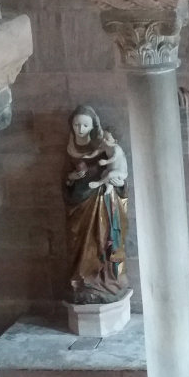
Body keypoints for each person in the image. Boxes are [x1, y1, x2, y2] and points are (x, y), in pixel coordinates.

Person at [64, 105, 130, 304]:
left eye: (85, 125)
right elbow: (64, 180)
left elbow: (118, 171)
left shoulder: (103, 146)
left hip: (104, 201)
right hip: (80, 203)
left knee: (105, 239)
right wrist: (72, 177)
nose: (80, 129)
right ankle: (83, 281)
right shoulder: (69, 151)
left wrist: (119, 184)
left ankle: (107, 279)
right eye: (76, 124)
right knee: (82, 242)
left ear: (93, 126)